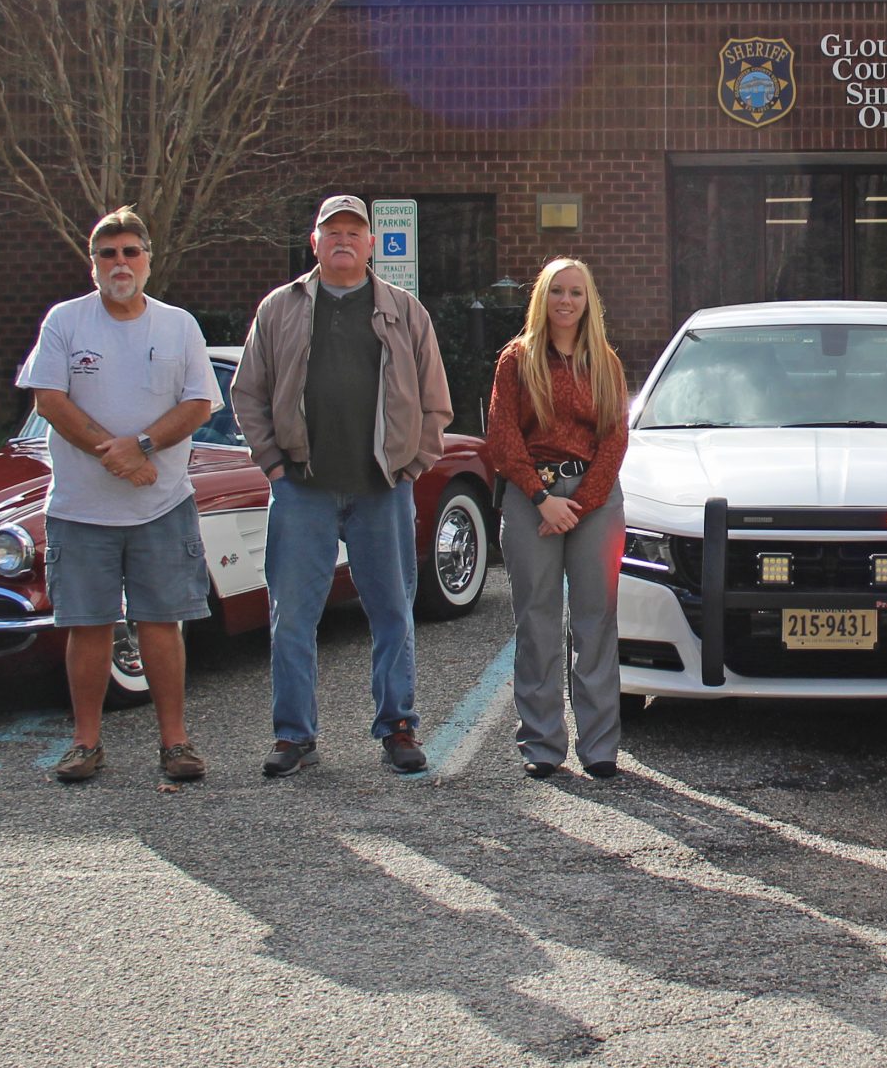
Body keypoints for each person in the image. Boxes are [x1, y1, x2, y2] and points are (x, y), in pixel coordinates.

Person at [232, 194, 453, 778]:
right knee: (293, 617)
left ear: (371, 244)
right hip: (302, 488)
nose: (344, 241)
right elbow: (248, 393)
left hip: (382, 489)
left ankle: (398, 725)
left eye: (355, 232)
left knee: (392, 613)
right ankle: (293, 735)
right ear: (315, 242)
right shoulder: (280, 308)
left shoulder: (406, 312)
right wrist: (273, 465)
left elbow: (436, 402)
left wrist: (413, 463)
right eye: (333, 232)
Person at [15, 207, 222, 785]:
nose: (120, 263)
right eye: (108, 254)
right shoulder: (66, 321)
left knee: (161, 623)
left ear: (148, 261)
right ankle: (86, 744)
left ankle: (175, 742)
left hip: (161, 505)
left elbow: (199, 404)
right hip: (81, 510)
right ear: (94, 265)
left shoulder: (178, 325)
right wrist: (116, 452)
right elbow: (48, 400)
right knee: (90, 625)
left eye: (131, 252)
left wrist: (145, 446)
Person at [481, 258, 632, 781]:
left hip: (592, 501)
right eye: (557, 292)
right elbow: (502, 438)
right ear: (542, 298)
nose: (566, 301)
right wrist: (542, 498)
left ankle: (599, 747)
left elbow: (615, 439)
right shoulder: (517, 360)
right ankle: (542, 745)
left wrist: (581, 505)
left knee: (595, 623)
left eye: (576, 293)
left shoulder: (605, 363)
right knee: (537, 623)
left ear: (589, 302)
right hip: (532, 499)